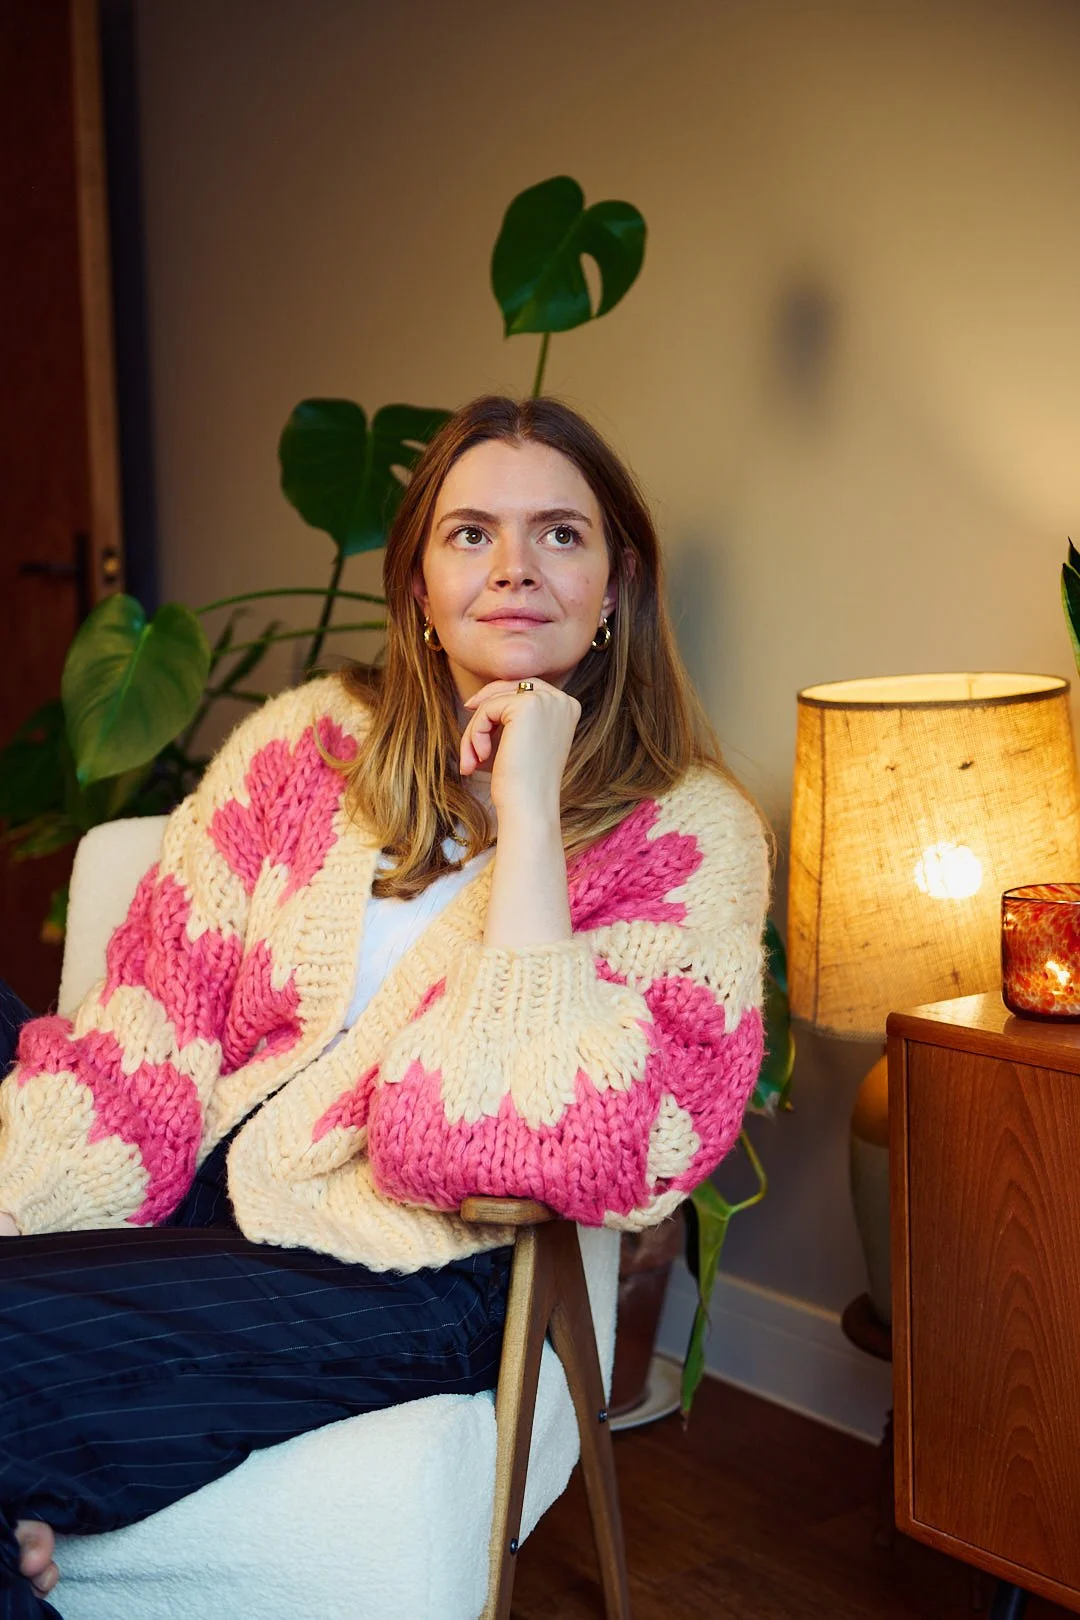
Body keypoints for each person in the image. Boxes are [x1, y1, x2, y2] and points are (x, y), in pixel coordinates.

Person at [0, 394, 770, 1615]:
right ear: (418, 586)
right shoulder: (309, 743)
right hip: (200, 1181)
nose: (514, 568)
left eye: (560, 533)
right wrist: (27, 1202)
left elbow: (508, 1143)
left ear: (617, 585)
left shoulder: (690, 836)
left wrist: (531, 813)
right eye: (471, 534)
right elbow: (155, 1005)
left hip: (408, 1270)